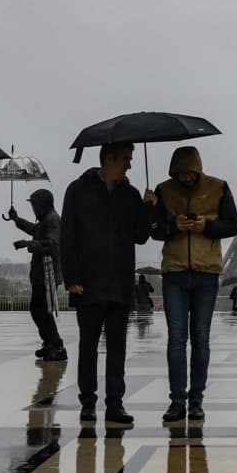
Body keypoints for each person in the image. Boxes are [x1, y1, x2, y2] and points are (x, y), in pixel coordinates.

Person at [61, 141, 153, 428]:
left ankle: (115, 403)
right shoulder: (77, 190)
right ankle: (88, 402)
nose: (129, 164)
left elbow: (140, 236)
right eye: (125, 158)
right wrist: (72, 278)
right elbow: (67, 236)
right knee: (88, 346)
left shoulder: (131, 194)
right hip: (87, 283)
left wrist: (148, 209)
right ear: (108, 159)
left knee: (117, 348)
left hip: (119, 282)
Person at [149, 145, 237, 424]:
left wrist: (206, 226)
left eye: (190, 173)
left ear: (198, 170)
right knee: (177, 339)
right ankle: (178, 400)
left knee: (200, 338)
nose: (186, 178)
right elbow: (155, 231)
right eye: (181, 174)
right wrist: (173, 225)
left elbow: (233, 225)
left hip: (206, 273)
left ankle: (196, 399)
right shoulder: (164, 191)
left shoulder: (218, 187)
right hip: (175, 272)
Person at [7, 188, 66, 362]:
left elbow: (52, 244)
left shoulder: (53, 219)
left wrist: (28, 244)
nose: (33, 209)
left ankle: (56, 345)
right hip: (41, 274)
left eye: (34, 205)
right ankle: (49, 343)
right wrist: (16, 219)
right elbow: (35, 230)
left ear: (43, 205)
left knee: (41, 310)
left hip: (48, 274)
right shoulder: (45, 219)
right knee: (38, 310)